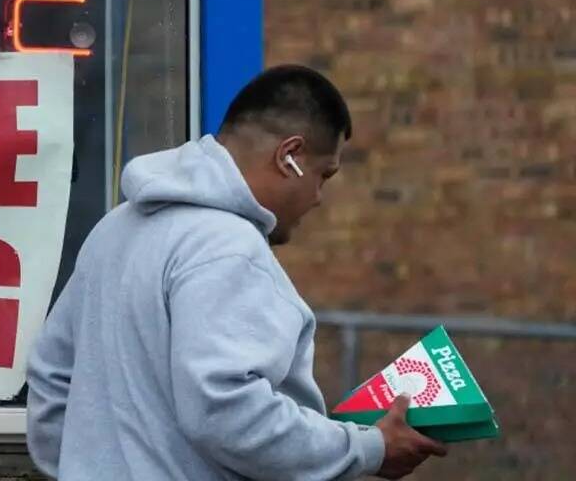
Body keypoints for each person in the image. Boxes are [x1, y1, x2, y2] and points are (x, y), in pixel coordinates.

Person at [26, 65, 448, 480]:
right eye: (323, 175)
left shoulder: (115, 228)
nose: (319, 198)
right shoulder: (229, 248)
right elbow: (227, 411)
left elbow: (51, 375)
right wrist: (369, 449)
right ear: (289, 157)